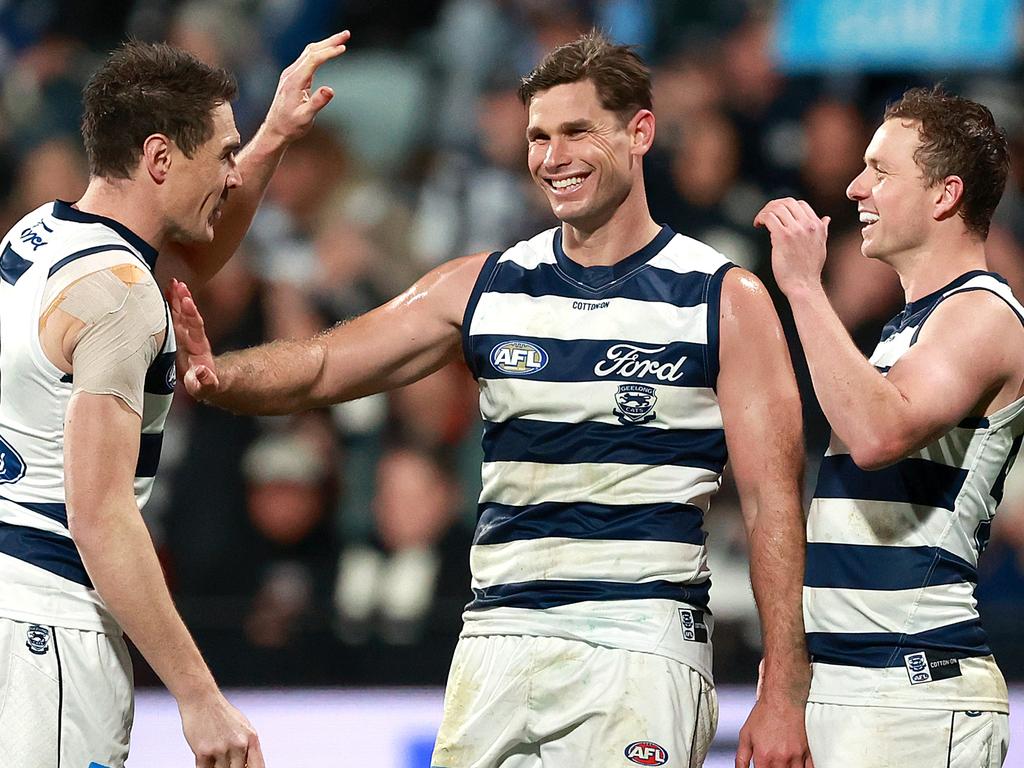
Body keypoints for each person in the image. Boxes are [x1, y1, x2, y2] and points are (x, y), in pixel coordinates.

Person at [174, 31, 812, 768]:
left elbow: (773, 502)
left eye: (577, 131)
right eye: (539, 136)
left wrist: (784, 687)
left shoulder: (723, 299)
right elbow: (321, 366)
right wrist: (217, 374)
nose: (553, 156)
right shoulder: (483, 285)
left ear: (640, 132)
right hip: (495, 641)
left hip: (639, 644)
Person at [0, 32, 348, 767]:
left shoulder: (41, 232)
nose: (233, 172)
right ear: (160, 158)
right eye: (224, 153)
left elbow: (195, 249)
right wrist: (198, 695)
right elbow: (99, 516)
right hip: (49, 629)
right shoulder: (122, 300)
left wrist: (275, 134)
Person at [755, 86, 1016, 767]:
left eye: (880, 170)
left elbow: (878, 436)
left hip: (914, 691)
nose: (853, 186)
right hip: (860, 688)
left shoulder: (985, 314)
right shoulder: (908, 327)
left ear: (944, 195)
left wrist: (806, 289)